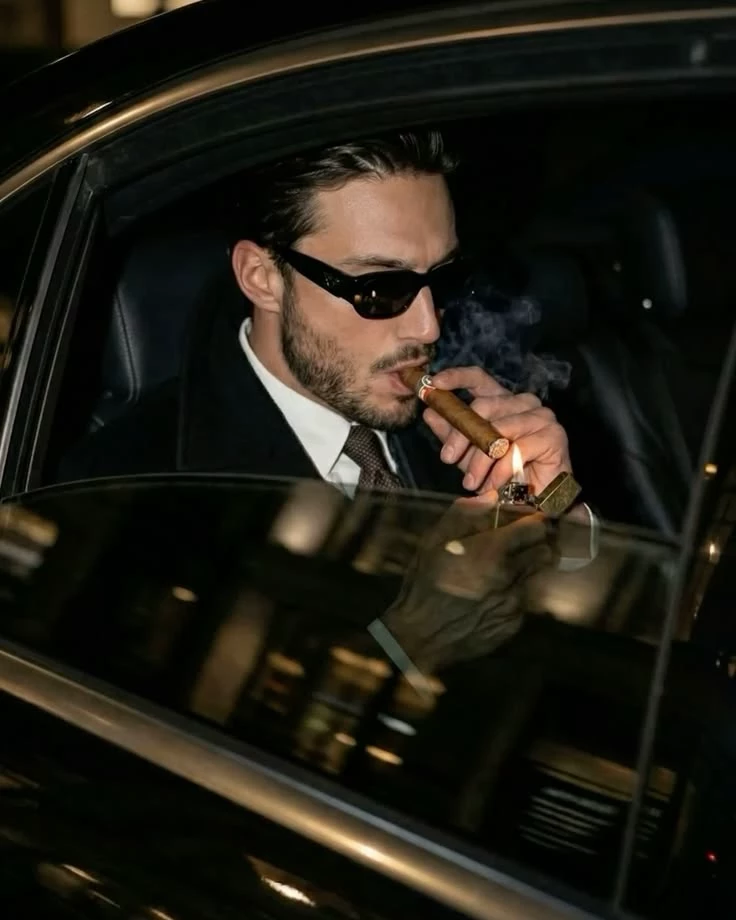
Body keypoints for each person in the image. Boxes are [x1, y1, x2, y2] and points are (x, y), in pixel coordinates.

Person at [60, 130, 595, 670]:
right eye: (380, 289)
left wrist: (560, 507)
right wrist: (407, 644)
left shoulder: (467, 423)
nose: (428, 327)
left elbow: (553, 624)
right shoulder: (128, 487)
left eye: (442, 278)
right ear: (262, 278)